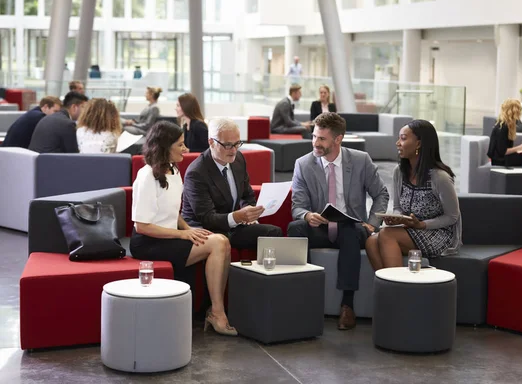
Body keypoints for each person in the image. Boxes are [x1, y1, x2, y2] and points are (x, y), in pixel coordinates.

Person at [131, 121, 236, 336]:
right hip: (149, 242)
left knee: (221, 240)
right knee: (218, 243)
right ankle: (217, 312)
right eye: (180, 145)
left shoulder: (173, 169)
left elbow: (171, 211)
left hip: (169, 236)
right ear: (164, 147)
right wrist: (184, 234)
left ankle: (214, 310)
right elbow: (142, 226)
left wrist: (189, 228)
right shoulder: (147, 175)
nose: (186, 149)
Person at [288, 112, 389, 330]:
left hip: (353, 228)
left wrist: (372, 223)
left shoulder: (361, 160)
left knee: (349, 231)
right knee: (295, 228)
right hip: (320, 228)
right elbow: (297, 205)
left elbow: (381, 194)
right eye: (314, 136)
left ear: (338, 139)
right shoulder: (303, 164)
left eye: (321, 138)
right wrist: (307, 215)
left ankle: (347, 305)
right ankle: (304, 298)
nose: (315, 142)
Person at [365, 120, 462, 273]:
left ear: (418, 144)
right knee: (371, 241)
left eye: (403, 138)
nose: (397, 143)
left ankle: (398, 286)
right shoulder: (399, 172)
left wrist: (421, 225)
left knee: (386, 234)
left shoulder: (440, 177)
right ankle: (391, 289)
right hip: (409, 229)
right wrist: (395, 218)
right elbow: (397, 208)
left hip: (438, 233)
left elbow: (452, 216)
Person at [181, 117, 282, 250]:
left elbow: (247, 195)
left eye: (237, 144)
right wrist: (237, 217)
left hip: (233, 225)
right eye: (228, 145)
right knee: (222, 240)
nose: (234, 150)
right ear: (211, 142)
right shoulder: (197, 173)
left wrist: (249, 215)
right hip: (205, 229)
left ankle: (264, 270)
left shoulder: (238, 160)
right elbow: (207, 217)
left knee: (274, 232)